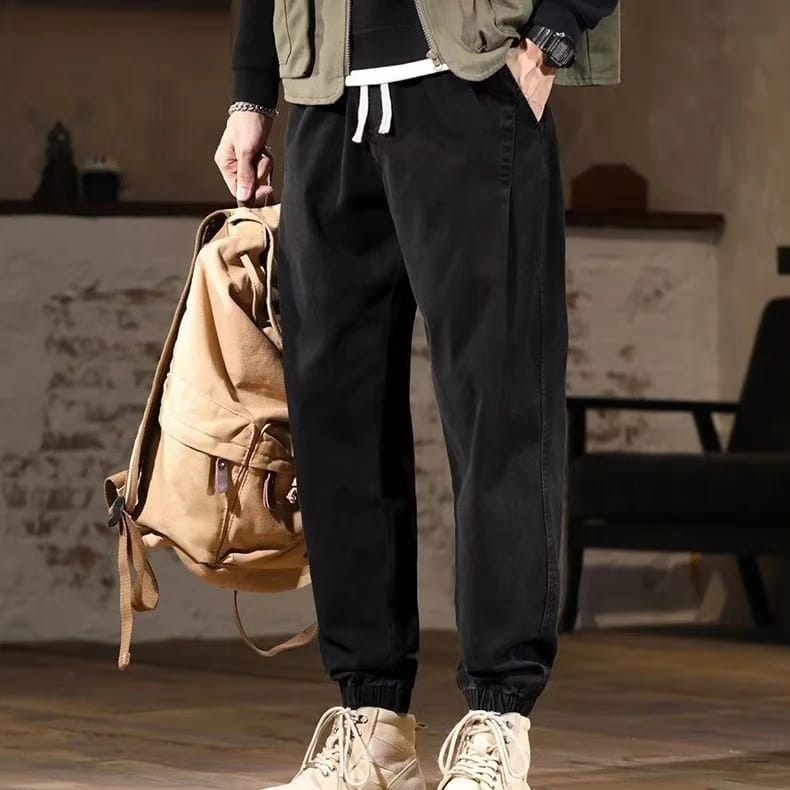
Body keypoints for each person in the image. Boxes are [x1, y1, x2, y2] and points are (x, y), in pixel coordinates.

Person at [215, 2, 619, 788]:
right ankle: (373, 725)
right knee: (337, 421)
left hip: (469, 84)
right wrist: (251, 94)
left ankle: (500, 717)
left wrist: (557, 29)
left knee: (498, 409)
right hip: (328, 99)